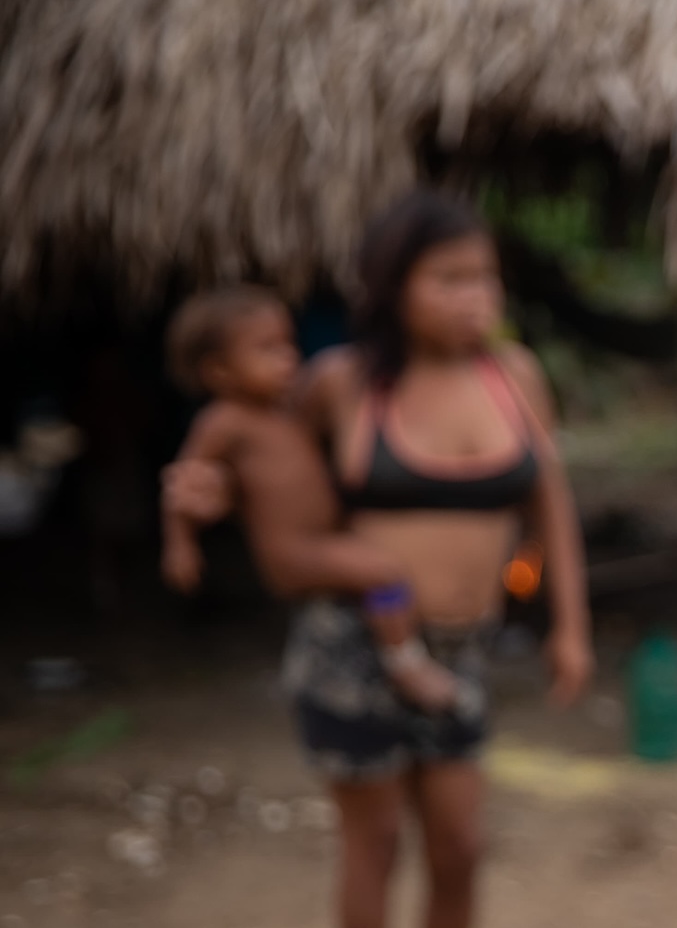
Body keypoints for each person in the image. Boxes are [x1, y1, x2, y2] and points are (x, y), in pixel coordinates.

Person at [167, 191, 591, 928]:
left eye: (482, 276)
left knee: (462, 844)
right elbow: (262, 466)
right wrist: (201, 493)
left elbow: (550, 500)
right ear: (392, 288)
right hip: (352, 646)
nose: (472, 296)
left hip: (462, 652)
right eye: (447, 279)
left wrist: (570, 624)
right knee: (377, 842)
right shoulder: (342, 383)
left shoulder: (515, 373)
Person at [161, 285, 465, 711]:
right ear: (219, 372)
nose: (287, 357)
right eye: (266, 349)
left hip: (321, 540)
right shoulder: (224, 422)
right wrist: (181, 545)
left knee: (378, 576)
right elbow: (183, 485)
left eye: (287, 344)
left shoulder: (289, 409)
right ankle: (405, 662)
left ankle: (387, 640)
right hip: (292, 551)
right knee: (384, 573)